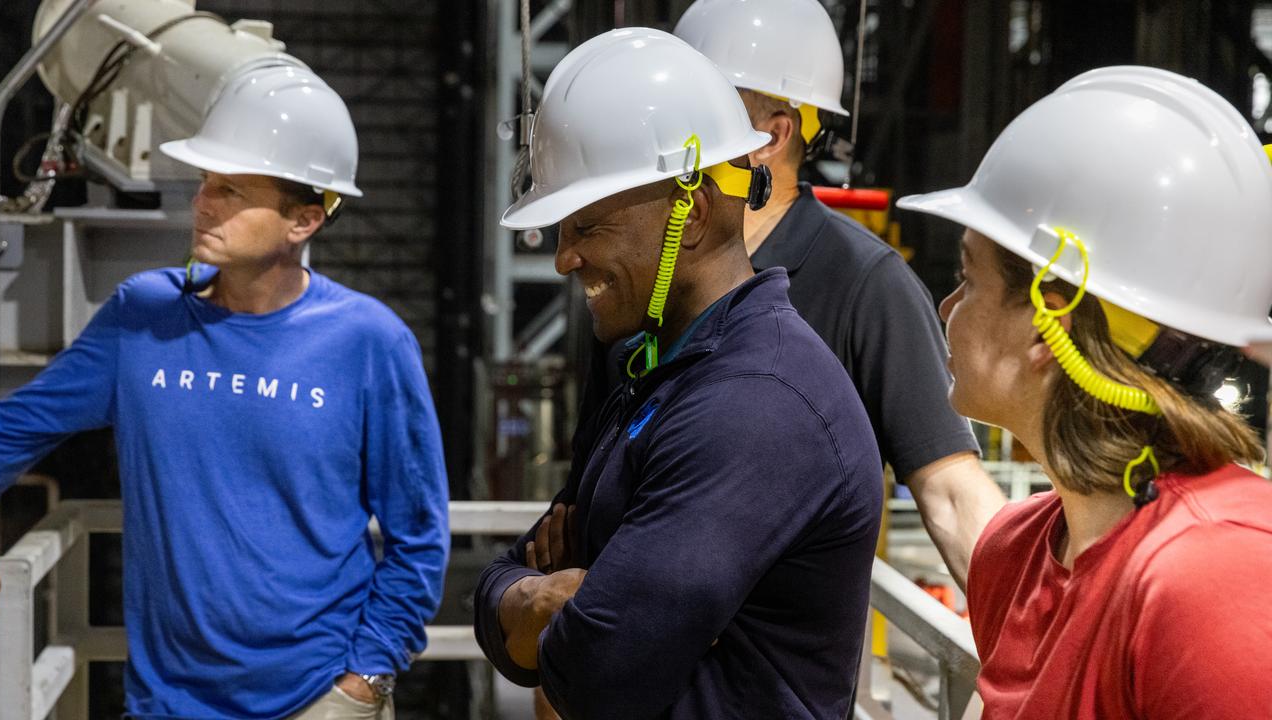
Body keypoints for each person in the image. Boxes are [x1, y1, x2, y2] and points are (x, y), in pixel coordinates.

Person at [0, 65, 450, 719]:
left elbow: (419, 533)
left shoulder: (368, 342)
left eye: (232, 190)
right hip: (167, 704)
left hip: (318, 698)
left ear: (304, 221)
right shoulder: (141, 317)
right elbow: (11, 430)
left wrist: (365, 677)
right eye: (206, 183)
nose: (204, 203)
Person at [474, 28, 883, 719]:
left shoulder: (757, 403)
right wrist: (538, 597)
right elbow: (505, 582)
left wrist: (564, 604)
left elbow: (597, 666)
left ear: (688, 214)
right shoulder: (656, 368)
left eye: (587, 227)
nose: (563, 260)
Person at [896, 65, 1272, 718]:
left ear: (1052, 320)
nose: (947, 305)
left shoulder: (1215, 580)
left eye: (967, 276)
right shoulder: (1013, 555)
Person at [675, 0, 1005, 588]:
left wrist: (1043, 641)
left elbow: (951, 493)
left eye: (698, 109)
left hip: (780, 674)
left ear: (770, 135)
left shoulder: (865, 283)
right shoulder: (660, 274)